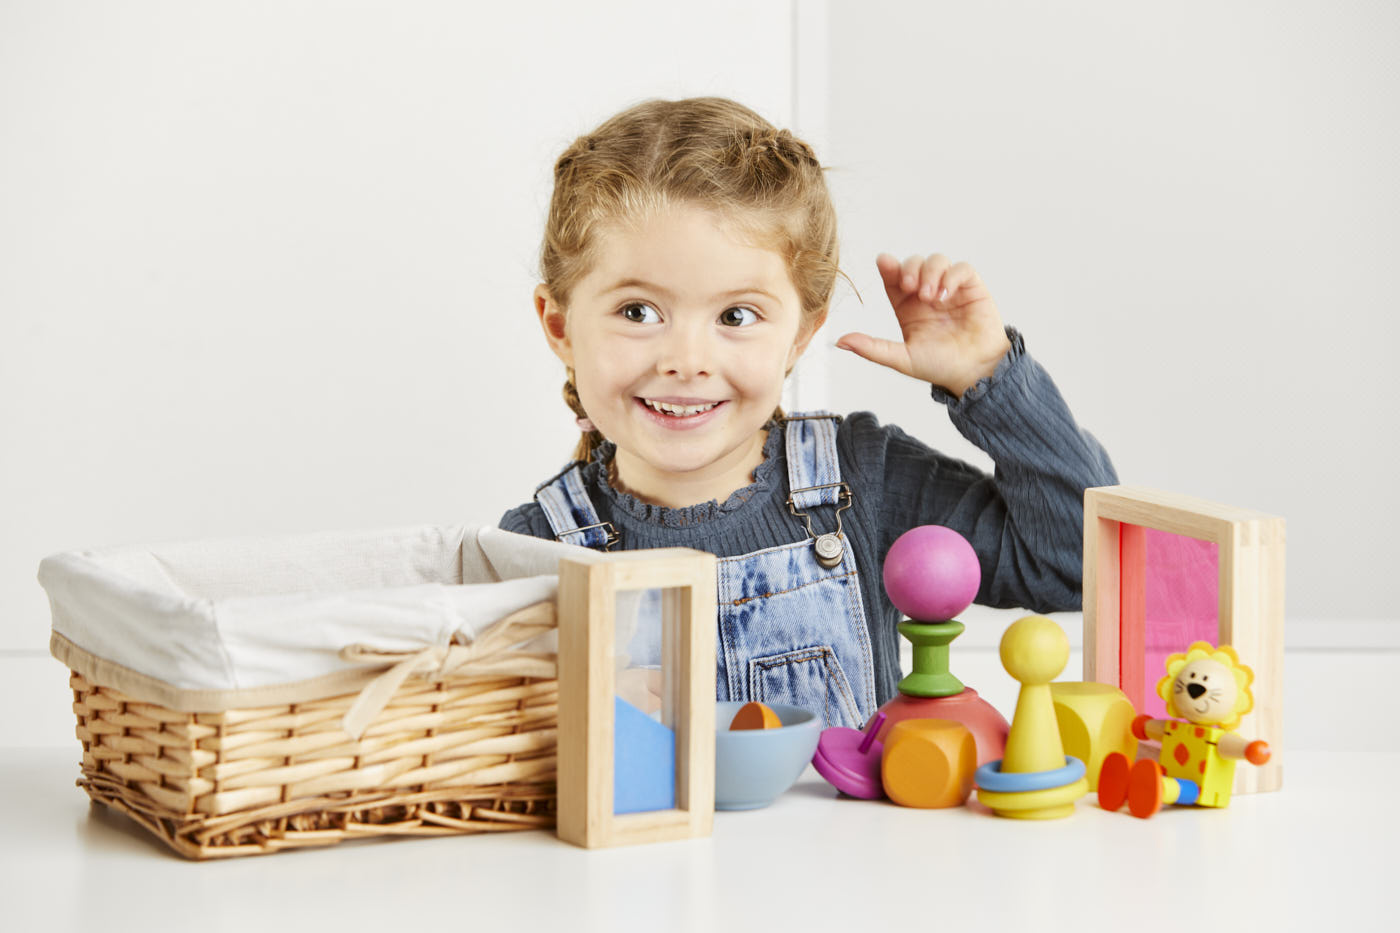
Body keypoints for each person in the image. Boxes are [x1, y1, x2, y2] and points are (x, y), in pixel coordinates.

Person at [498, 97, 1117, 728]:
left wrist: (990, 378)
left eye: (736, 317)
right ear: (560, 325)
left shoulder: (863, 481)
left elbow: (1081, 562)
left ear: (800, 334)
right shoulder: (531, 551)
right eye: (638, 312)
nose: (687, 360)